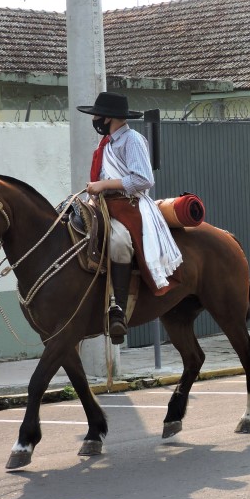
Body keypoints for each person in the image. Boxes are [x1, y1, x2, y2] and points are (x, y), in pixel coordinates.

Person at [79, 91, 183, 343]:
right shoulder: (107, 144)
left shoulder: (131, 140)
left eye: (97, 115)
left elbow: (143, 179)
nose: (94, 119)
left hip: (129, 206)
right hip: (105, 205)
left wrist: (103, 185)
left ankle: (118, 309)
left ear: (108, 117)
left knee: (119, 242)